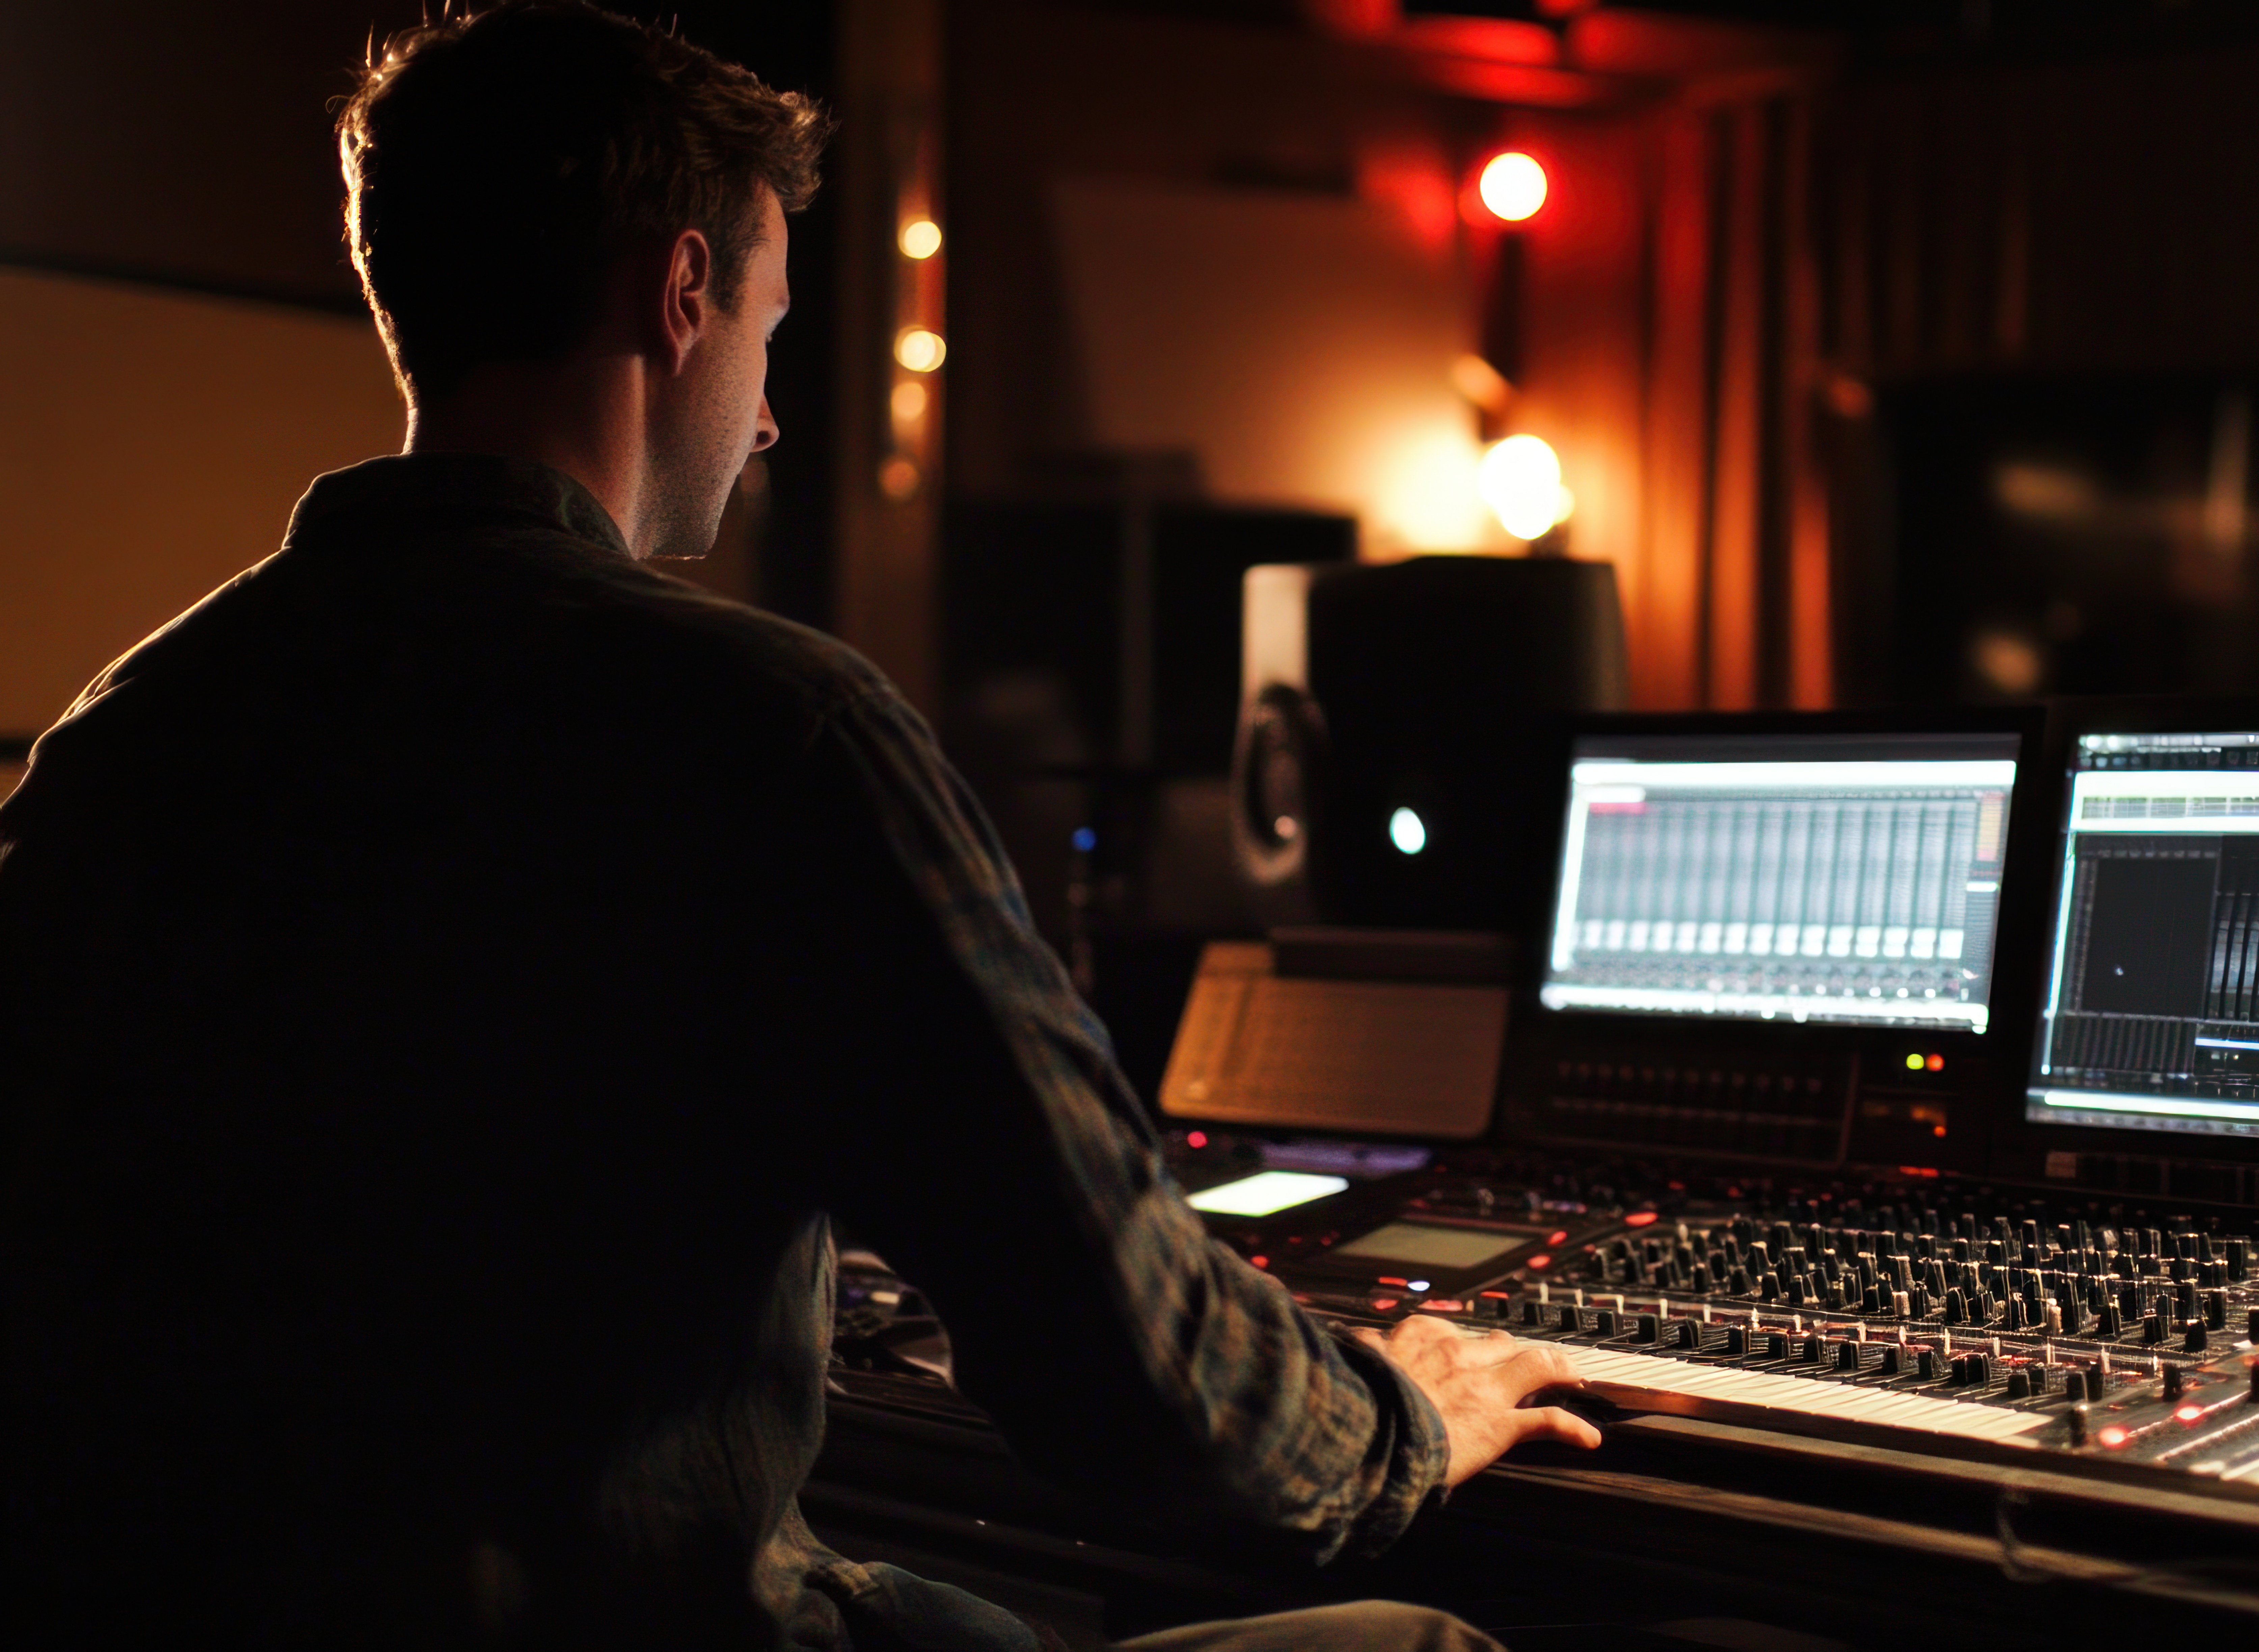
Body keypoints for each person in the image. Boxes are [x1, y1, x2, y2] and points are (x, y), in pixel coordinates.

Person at [0, 6, 1594, 1647]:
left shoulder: (121, 734)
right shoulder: (772, 728)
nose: (767, 417)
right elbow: (1128, 1370)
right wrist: (1407, 1422)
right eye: (767, 327)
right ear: (683, 296)